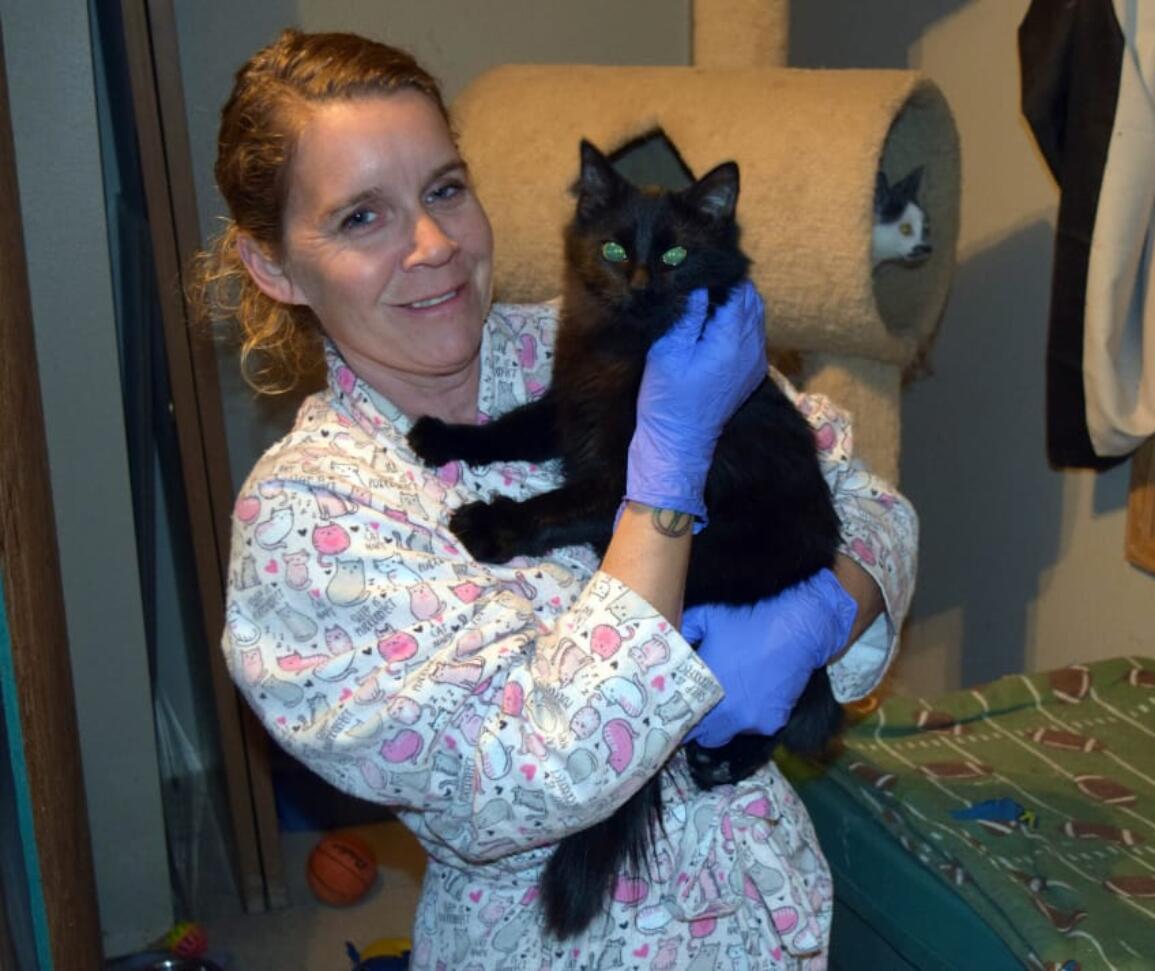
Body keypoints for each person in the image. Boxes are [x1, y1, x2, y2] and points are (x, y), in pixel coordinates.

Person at [201, 29, 917, 971]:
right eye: (361, 219)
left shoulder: (603, 326)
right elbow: (533, 776)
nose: (432, 245)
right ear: (275, 267)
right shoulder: (311, 518)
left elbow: (869, 503)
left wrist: (824, 607)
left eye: (445, 190)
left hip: (764, 913)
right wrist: (665, 479)